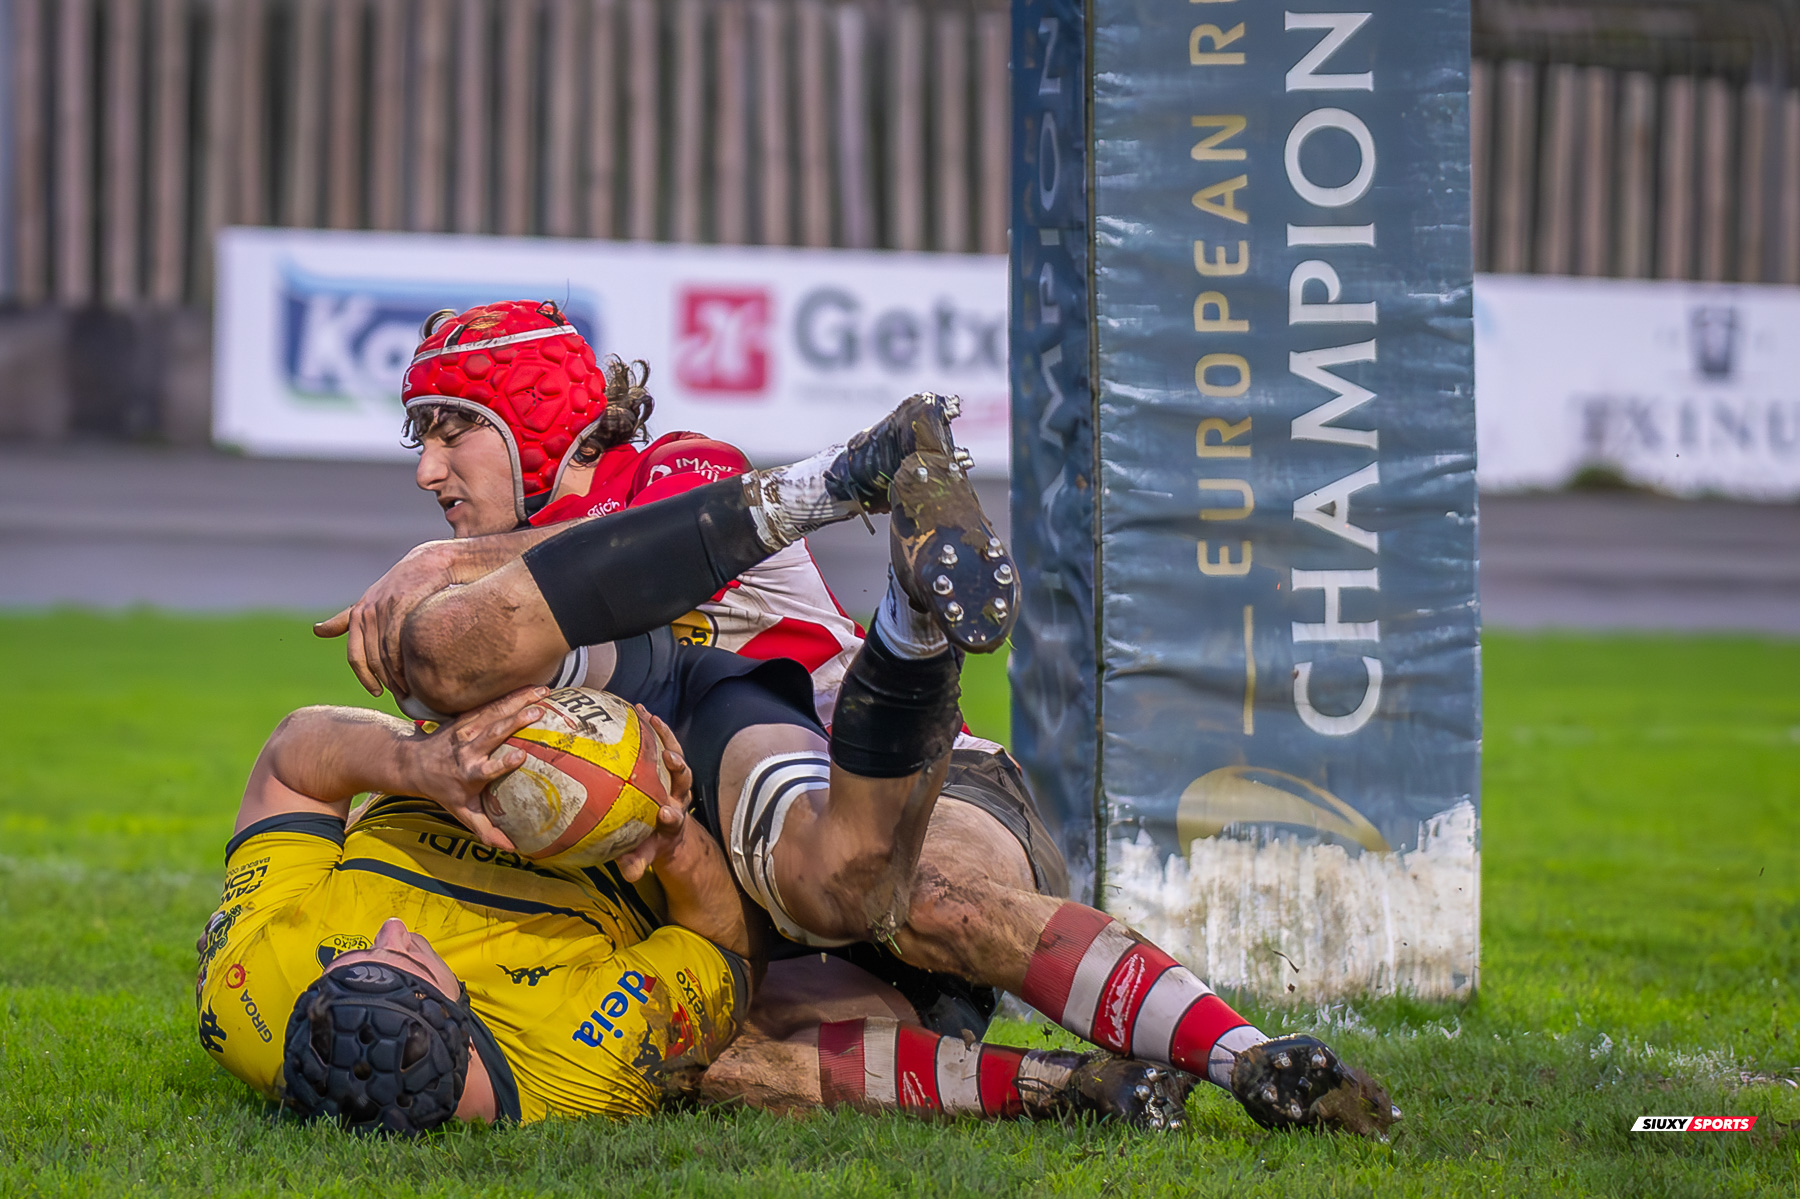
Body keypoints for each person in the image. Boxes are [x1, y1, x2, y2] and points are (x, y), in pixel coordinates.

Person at [310, 312, 1399, 1136]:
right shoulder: (490, 622)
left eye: (454, 430)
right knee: (693, 1054)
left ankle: (1258, 1059)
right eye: (421, 440)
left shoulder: (685, 472)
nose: (428, 469)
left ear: (535, 415)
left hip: (920, 784)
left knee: (920, 897)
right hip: (769, 893)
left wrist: (442, 562)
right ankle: (1079, 1086)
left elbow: (618, 545)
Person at [201, 675, 1193, 1132]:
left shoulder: (250, 988)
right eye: (410, 957)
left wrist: (415, 761)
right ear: (459, 1015)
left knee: (885, 902)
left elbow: (291, 755)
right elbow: (723, 949)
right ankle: (1083, 1079)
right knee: (743, 1046)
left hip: (541, 713)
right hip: (702, 802)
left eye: (352, 956)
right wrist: (667, 835)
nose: (389, 928)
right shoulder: (579, 1057)